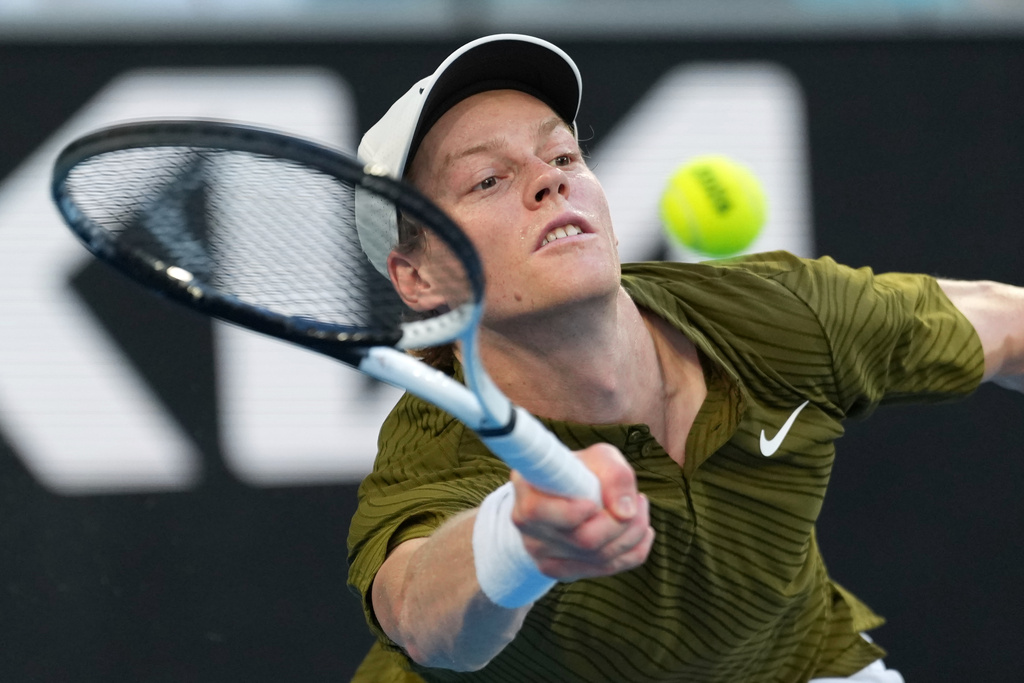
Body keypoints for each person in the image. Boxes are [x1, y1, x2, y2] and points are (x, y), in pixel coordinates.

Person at [346, 34, 1024, 682]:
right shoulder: (436, 453)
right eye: (488, 180)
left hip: (793, 665)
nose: (549, 182)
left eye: (563, 157)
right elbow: (421, 616)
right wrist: (517, 542)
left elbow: (1006, 324)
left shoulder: (772, 316)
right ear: (418, 277)